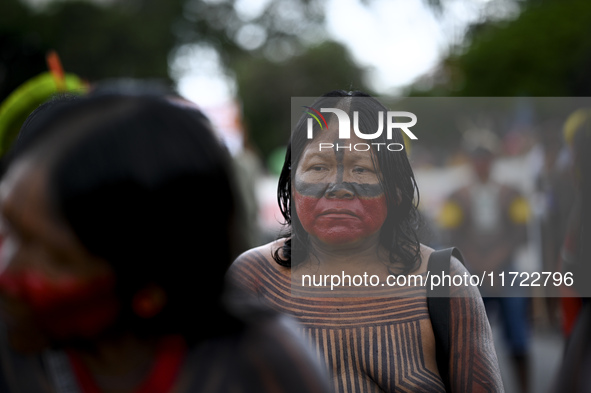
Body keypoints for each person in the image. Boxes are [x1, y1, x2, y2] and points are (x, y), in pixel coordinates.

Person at [0, 90, 330, 393]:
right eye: (7, 228)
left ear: (150, 288)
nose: (6, 269)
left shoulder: (260, 367)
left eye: (55, 256)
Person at [227, 90, 503, 392]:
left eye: (362, 169)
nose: (338, 187)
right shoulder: (253, 279)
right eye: (318, 167)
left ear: (397, 189)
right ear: (292, 185)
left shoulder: (444, 281)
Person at [437, 132, 531, 393]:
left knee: (518, 335)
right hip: (471, 270)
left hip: (505, 270)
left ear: (493, 160)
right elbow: (450, 234)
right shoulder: (457, 195)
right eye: (477, 158)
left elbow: (522, 231)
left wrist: (495, 260)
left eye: (485, 158)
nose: (481, 163)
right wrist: (478, 262)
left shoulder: (512, 193)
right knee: (466, 337)